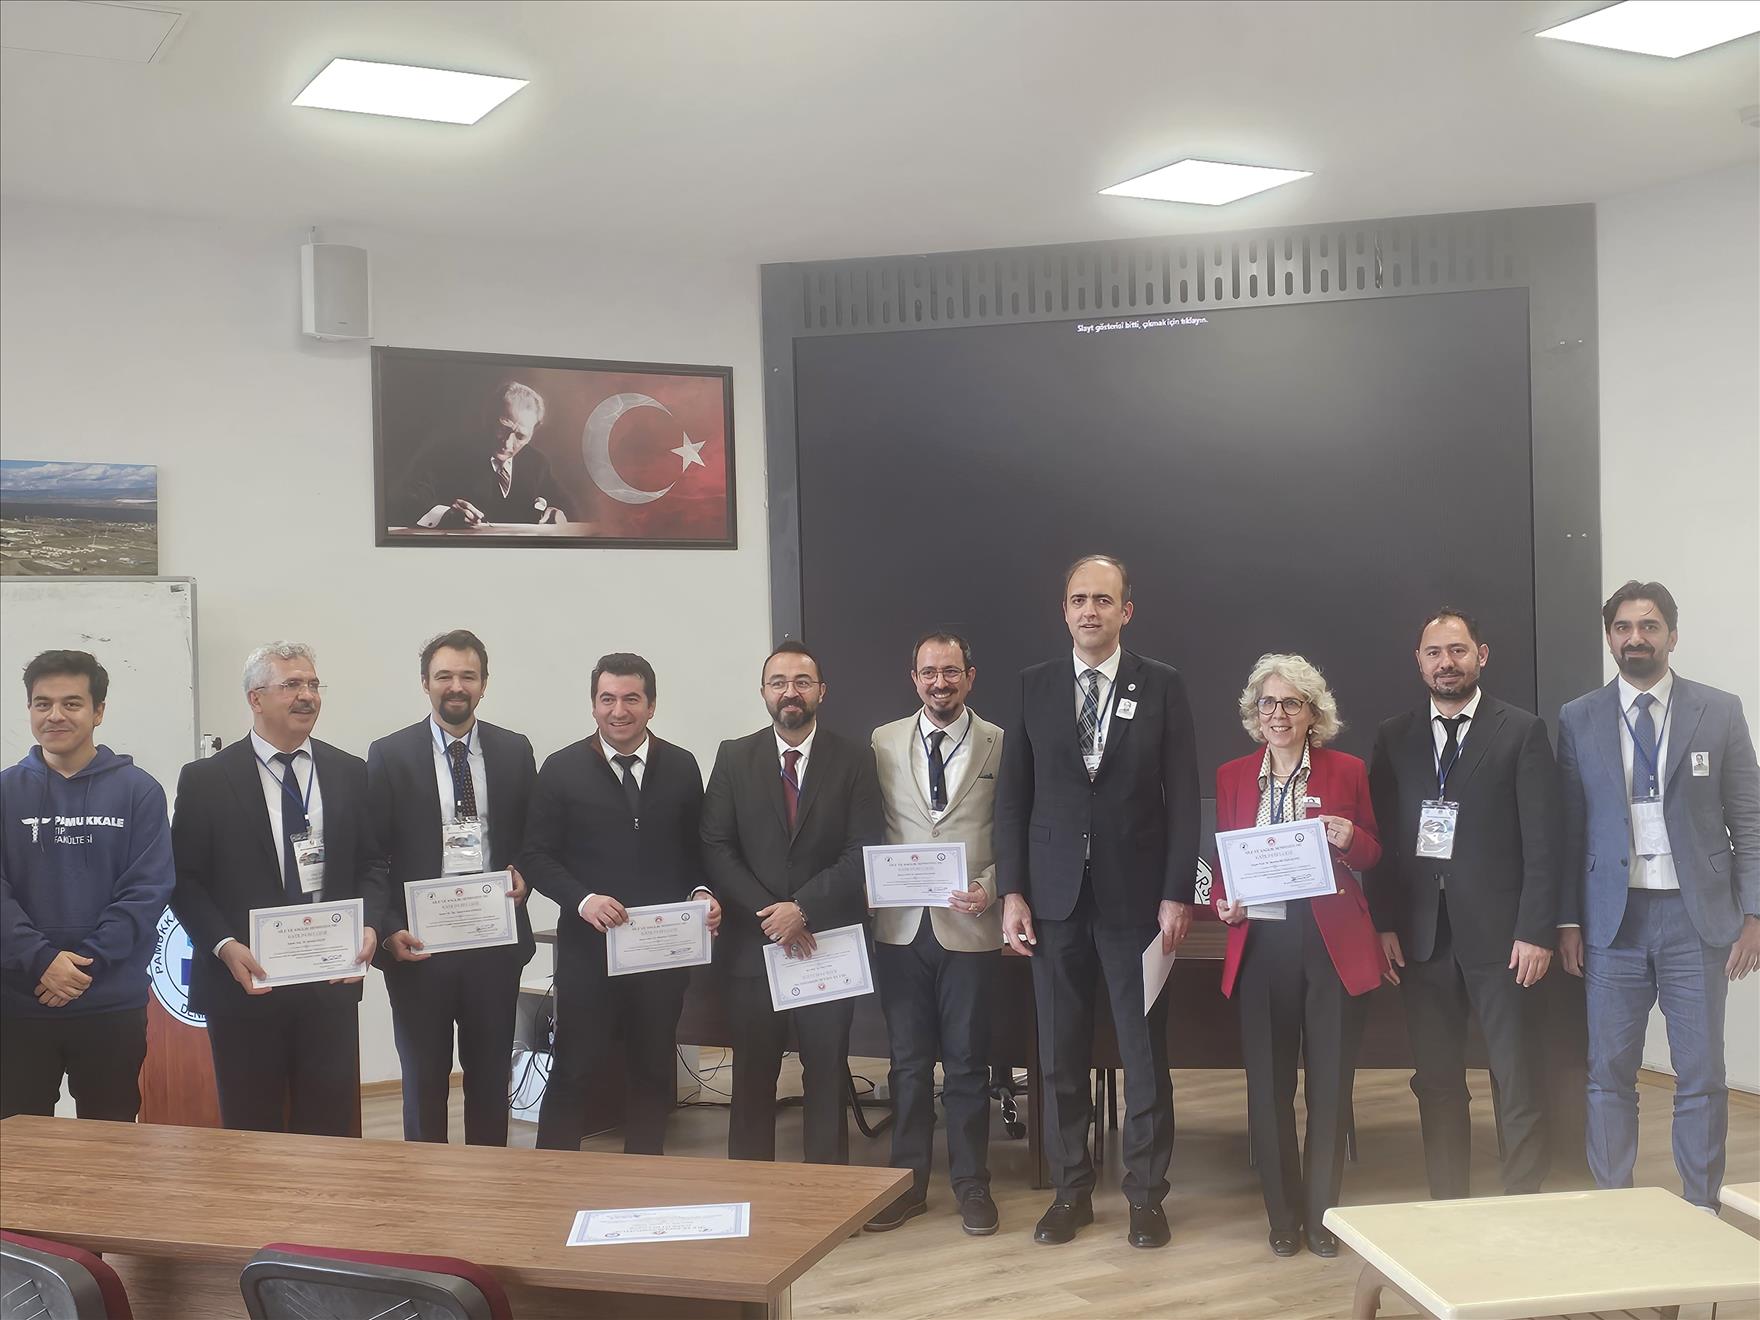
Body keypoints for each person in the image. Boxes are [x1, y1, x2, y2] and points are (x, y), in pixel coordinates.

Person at [996, 554, 1201, 1249]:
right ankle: (1071, 1192)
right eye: (1079, 599)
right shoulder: (1034, 686)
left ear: (1126, 611)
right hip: (1053, 902)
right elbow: (1013, 799)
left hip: (1136, 902)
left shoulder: (1163, 685)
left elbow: (1184, 799)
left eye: (1103, 600)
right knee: (1059, 1053)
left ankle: (1146, 1196)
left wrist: (1176, 893)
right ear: (1064, 611)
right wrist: (1013, 891)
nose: (1090, 610)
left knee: (1143, 1054)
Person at [1556, 581, 1760, 1210]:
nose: (1635, 638)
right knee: (1608, 1075)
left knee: (1701, 1076)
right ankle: (1615, 1209)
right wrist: (1567, 921)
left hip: (1696, 920)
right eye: (1622, 627)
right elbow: (1568, 827)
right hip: (1611, 922)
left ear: (1672, 635)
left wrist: (1754, 913)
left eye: (1648, 626)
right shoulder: (1578, 716)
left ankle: (1701, 1207)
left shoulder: (1718, 710)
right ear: (1609, 638)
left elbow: (1748, 818)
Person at [1365, 608, 1560, 1200]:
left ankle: (1521, 1201)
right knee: (1437, 1079)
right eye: (1434, 653)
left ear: (1481, 655)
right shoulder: (1394, 736)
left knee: (1514, 1073)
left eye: (1457, 650)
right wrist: (1384, 924)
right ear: (1419, 662)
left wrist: (1536, 930)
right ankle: (1448, 1203)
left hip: (1504, 938)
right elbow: (1381, 839)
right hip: (1422, 936)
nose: (1445, 663)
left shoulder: (1521, 730)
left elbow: (1544, 842)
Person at [1212, 654, 1389, 1258]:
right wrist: (1223, 901)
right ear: (1255, 713)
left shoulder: (1348, 771)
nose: (1278, 714)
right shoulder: (1233, 776)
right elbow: (1225, 862)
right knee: (1268, 1090)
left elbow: (1373, 852)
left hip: (1329, 944)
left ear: (1314, 712)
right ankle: (1282, 1216)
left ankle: (1322, 1215)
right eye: (1268, 703)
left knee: (1330, 1088)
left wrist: (1351, 838)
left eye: (1291, 703)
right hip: (1261, 943)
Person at [170, 642, 387, 1135]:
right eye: (291, 685)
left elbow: (373, 863)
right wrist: (224, 945)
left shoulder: (349, 771)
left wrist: (371, 925)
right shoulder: (206, 779)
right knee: (252, 1134)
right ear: (255, 698)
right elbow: (184, 878)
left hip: (328, 985)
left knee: (330, 1134)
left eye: (312, 684)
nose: (307, 695)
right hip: (244, 986)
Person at [522, 652, 721, 1154]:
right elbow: (536, 856)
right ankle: (550, 1177)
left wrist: (702, 892)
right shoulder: (561, 769)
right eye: (607, 699)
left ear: (651, 705)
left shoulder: (681, 766)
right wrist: (583, 899)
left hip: (661, 954)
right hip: (588, 952)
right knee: (574, 1068)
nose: (619, 710)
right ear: (593, 705)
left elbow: (698, 850)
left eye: (631, 699)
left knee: (653, 1069)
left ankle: (644, 1178)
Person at [700, 641, 882, 1165]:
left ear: (821, 691)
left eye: (802, 682)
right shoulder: (734, 756)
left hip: (827, 943)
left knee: (826, 1073)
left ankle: (827, 1191)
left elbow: (862, 848)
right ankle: (750, 1186)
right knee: (753, 1075)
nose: (790, 692)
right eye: (778, 682)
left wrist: (802, 909)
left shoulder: (855, 758)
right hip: (753, 946)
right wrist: (773, 914)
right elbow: (715, 845)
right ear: (763, 692)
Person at [366, 630, 536, 1147]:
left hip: (493, 943)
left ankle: (488, 1179)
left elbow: (533, 838)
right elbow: (373, 854)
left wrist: (526, 871)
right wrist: (388, 928)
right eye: (444, 676)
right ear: (425, 684)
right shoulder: (389, 754)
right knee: (424, 1078)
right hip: (420, 948)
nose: (456, 686)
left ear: (484, 683)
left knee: (490, 1076)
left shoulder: (514, 750)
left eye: (468, 676)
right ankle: (425, 1183)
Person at [865, 631, 1005, 1236]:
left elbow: (1014, 827)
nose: (939, 682)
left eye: (951, 672)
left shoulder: (1001, 742)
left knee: (970, 1064)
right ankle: (908, 1185)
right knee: (908, 1064)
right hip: (900, 927)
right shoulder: (882, 741)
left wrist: (992, 887)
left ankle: (972, 1184)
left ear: (970, 676)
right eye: (929, 672)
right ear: (914, 677)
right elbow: (867, 824)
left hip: (971, 924)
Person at [1, 650, 174, 1121]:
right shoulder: (5, 792)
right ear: (29, 710)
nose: (55, 715)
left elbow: (147, 890)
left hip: (109, 1003)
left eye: (72, 703)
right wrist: (41, 961)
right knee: (21, 1146)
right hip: (18, 1004)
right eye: (43, 703)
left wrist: (81, 968)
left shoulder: (139, 791)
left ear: (98, 712)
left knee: (111, 1140)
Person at [399, 380, 569, 529]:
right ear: (488, 418)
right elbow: (405, 500)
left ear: (533, 433)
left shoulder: (537, 463)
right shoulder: (447, 454)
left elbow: (567, 507)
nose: (507, 443)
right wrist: (445, 515)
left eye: (520, 436)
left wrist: (556, 512)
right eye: (503, 428)